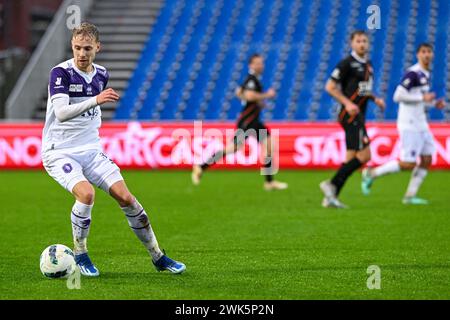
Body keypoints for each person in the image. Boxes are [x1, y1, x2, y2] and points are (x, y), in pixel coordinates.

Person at [41, 22, 185, 276]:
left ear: (97, 47)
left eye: (87, 48)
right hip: (59, 151)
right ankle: (81, 254)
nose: (81, 54)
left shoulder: (101, 74)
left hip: (91, 150)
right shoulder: (60, 73)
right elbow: (62, 113)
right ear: (72, 47)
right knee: (86, 194)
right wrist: (95, 100)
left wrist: (93, 112)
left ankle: (158, 257)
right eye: (77, 48)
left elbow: (90, 112)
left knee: (127, 198)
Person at [361, 43, 446, 204]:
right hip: (410, 124)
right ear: (417, 55)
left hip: (421, 123)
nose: (427, 55)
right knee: (408, 163)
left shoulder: (425, 74)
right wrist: (423, 98)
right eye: (423, 52)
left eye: (429, 52)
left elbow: (417, 98)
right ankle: (371, 173)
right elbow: (398, 96)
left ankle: (409, 196)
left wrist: (433, 103)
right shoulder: (412, 73)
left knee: (427, 159)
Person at [192, 54, 288, 191]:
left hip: (254, 121)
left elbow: (239, 92)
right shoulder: (252, 79)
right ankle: (201, 166)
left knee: (269, 145)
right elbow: (248, 95)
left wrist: (257, 103)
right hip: (247, 121)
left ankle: (269, 182)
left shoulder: (252, 79)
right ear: (251, 65)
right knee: (233, 148)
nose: (260, 65)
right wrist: (267, 95)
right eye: (257, 63)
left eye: (261, 63)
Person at [319, 30, 386, 208]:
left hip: (359, 115)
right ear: (352, 43)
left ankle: (330, 198)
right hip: (350, 115)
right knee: (365, 155)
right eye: (358, 41)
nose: (362, 44)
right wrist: (347, 103)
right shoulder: (346, 63)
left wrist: (374, 98)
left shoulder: (368, 65)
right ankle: (331, 184)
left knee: (350, 158)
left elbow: (363, 89)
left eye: (364, 41)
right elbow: (330, 87)